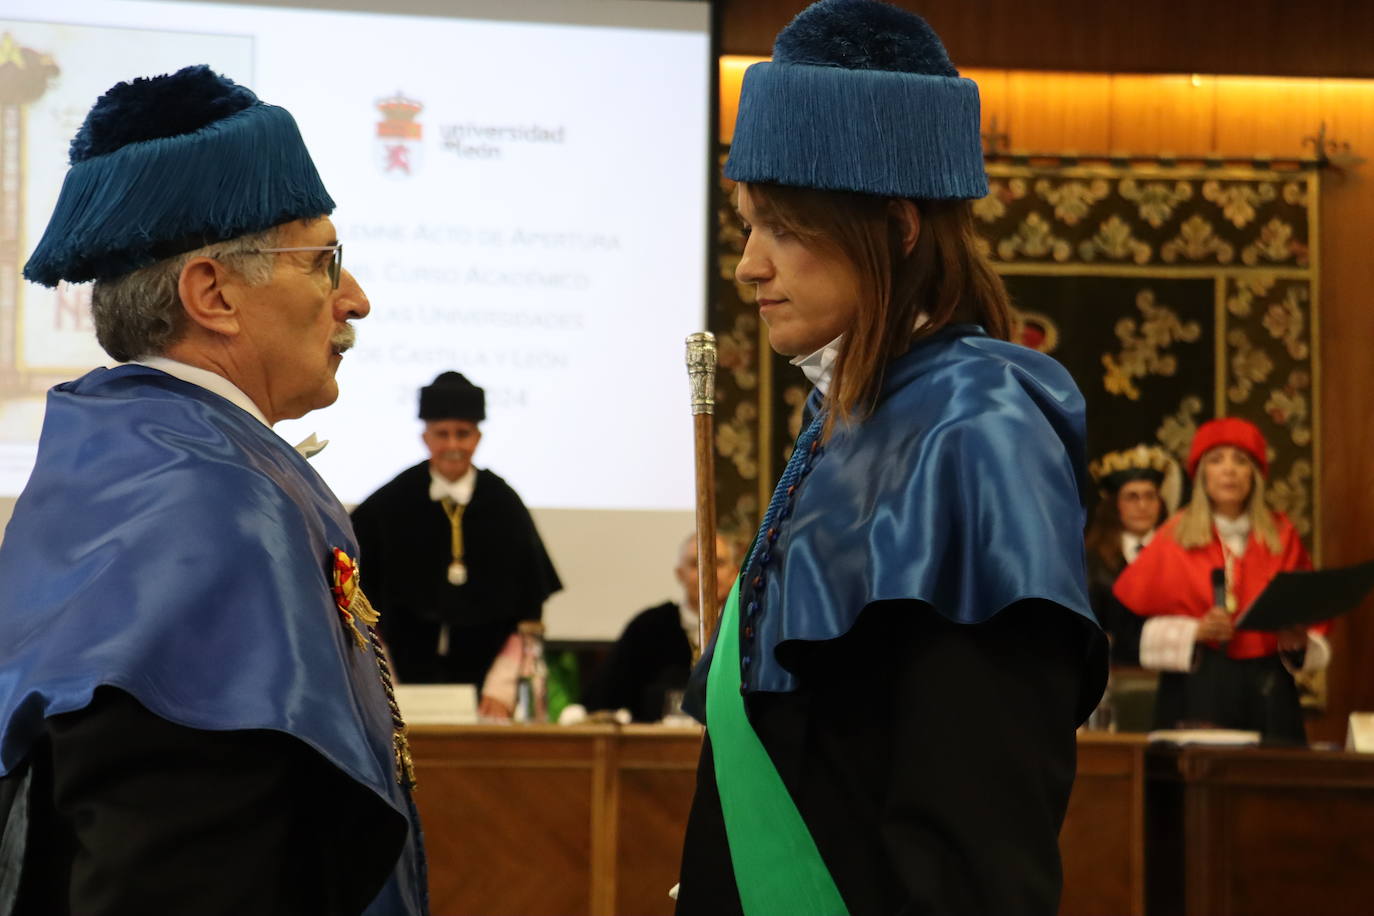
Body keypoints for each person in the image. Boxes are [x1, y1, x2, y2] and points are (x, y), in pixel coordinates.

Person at [673, 3, 1108, 914]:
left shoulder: (978, 434)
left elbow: (973, 842)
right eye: (746, 225)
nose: (748, 266)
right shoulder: (855, 413)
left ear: (899, 227)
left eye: (781, 227)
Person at [0, 67, 426, 914]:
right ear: (213, 293)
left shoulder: (131, 470)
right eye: (323, 262)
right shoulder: (212, 514)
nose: (355, 300)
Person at [1113, 417, 1331, 743]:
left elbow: (1309, 621)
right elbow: (1127, 628)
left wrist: (1296, 643)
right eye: (1216, 460)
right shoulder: (1173, 536)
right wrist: (1194, 631)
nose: (1229, 470)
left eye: (1240, 461)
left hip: (1268, 691)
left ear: (1254, 475)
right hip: (1197, 689)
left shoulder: (1282, 535)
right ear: (1202, 475)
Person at [351, 371, 561, 686]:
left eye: (462, 434)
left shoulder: (503, 501)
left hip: (490, 677)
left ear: (477, 437)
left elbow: (529, 598)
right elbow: (360, 592)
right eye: (442, 433)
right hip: (400, 671)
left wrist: (504, 680)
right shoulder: (390, 501)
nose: (453, 445)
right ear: (426, 437)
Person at [586, 534, 738, 722]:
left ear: (734, 573)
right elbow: (606, 697)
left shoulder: (745, 626)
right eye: (695, 564)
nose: (708, 572)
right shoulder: (647, 628)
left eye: (719, 563)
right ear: (679, 574)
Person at [1084, 444, 1180, 665]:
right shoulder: (1093, 560)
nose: (1143, 505)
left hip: (1174, 666)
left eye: (1150, 496)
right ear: (1115, 505)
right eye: (1132, 497)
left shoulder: (1179, 552)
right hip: (1115, 669)